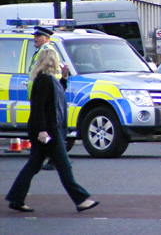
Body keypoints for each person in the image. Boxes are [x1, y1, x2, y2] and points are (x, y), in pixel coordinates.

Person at [5, 49, 99, 213]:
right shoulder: (44, 81)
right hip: (49, 132)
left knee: (33, 166)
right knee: (64, 166)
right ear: (52, 62)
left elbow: (55, 96)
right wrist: (42, 130)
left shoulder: (48, 80)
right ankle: (81, 199)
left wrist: (64, 78)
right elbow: (39, 108)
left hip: (48, 131)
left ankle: (16, 198)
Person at [28, 26, 60, 171]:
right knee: (43, 135)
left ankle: (57, 158)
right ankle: (56, 157)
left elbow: (54, 73)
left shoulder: (46, 51)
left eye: (38, 36)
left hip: (44, 95)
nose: (35, 38)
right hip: (40, 95)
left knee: (44, 130)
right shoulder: (40, 50)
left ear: (46, 38)